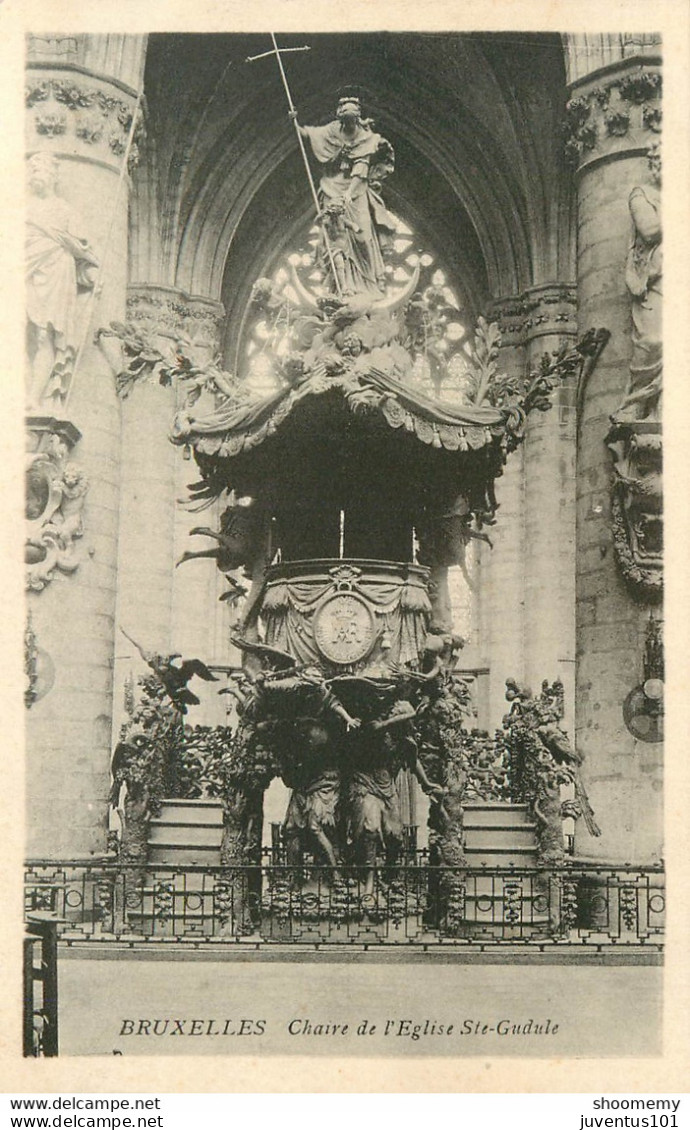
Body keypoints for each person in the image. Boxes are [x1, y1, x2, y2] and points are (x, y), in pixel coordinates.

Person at [294, 95, 397, 298]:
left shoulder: (366, 139)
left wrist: (348, 197)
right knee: (333, 239)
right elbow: (309, 134)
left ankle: (370, 283)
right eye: (346, 122)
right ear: (341, 119)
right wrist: (294, 122)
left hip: (356, 191)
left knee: (363, 238)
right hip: (332, 186)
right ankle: (340, 286)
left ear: (357, 120)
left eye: (352, 122)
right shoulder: (331, 130)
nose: (349, 126)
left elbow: (360, 172)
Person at [25, 153, 99, 406]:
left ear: (53, 176)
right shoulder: (22, 208)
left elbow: (83, 253)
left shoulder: (65, 211)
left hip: (56, 273)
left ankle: (35, 398)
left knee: (46, 334)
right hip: (25, 270)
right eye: (31, 170)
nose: (35, 174)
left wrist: (94, 277)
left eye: (40, 169)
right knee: (22, 332)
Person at [615, 144, 662, 423]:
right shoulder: (641, 194)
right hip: (655, 280)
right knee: (654, 341)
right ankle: (637, 402)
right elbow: (651, 229)